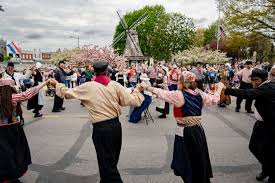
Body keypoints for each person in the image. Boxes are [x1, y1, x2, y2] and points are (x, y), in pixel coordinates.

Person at [49, 60, 144, 183]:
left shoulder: (88, 86)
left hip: (101, 128)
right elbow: (133, 101)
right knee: (111, 162)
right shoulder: (115, 85)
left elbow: (67, 93)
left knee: (107, 164)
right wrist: (137, 90)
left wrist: (57, 84)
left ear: (94, 72)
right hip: (115, 127)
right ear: (107, 71)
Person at [141, 71, 224, 183]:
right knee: (197, 160)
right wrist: (219, 89)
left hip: (187, 132)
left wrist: (145, 86)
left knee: (188, 162)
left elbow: (161, 93)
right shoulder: (199, 94)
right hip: (197, 130)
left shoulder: (179, 95)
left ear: (182, 82)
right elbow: (214, 99)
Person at [0, 66, 50, 183]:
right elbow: (28, 93)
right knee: (12, 153)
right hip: (10, 130)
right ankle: (11, 176)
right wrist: (46, 82)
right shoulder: (13, 98)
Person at [225, 68, 275, 183]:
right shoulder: (264, 87)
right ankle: (267, 168)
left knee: (269, 151)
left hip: (270, 126)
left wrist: (228, 90)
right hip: (261, 124)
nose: (251, 82)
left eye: (252, 80)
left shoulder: (267, 88)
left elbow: (247, 93)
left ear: (257, 80)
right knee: (254, 147)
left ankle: (270, 171)